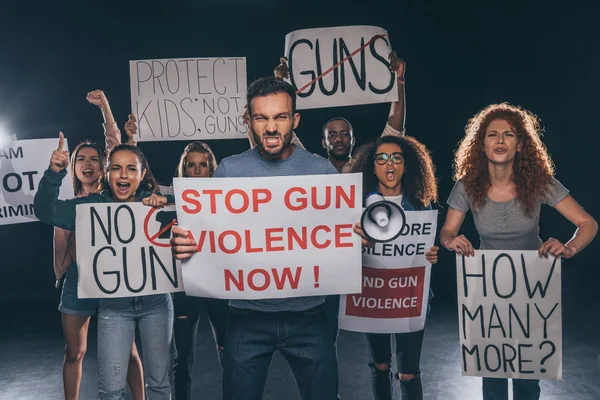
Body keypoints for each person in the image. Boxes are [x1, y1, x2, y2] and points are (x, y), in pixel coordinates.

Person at [171, 76, 372, 400]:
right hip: (247, 320)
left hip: (310, 317)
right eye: (262, 118)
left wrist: (361, 239)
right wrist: (186, 245)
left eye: (280, 117)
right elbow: (208, 238)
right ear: (248, 121)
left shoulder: (320, 170)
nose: (271, 127)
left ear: (295, 119)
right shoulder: (229, 171)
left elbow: (343, 234)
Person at [439, 103, 598, 400]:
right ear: (481, 144)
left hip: (533, 287)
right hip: (487, 288)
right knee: (493, 373)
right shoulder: (466, 186)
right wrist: (450, 240)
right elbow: (447, 231)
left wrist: (569, 248)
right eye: (492, 135)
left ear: (520, 144)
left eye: (508, 134)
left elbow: (588, 223)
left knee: (528, 376)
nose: (500, 141)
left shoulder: (539, 183)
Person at [35, 137, 174, 400]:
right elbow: (46, 211)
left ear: (142, 174)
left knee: (159, 384)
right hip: (114, 305)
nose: (123, 175)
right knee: (111, 390)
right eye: (116, 168)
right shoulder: (90, 206)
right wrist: (55, 173)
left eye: (131, 169)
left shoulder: (155, 202)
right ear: (107, 173)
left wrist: (165, 201)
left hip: (156, 303)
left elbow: (198, 207)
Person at [51, 90, 144, 400]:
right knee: (74, 353)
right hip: (78, 281)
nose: (88, 163)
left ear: (104, 166)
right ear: (74, 168)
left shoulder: (110, 194)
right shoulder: (67, 206)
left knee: (128, 353)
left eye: (95, 159)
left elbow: (117, 146)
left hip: (113, 280)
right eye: (81, 159)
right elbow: (60, 257)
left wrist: (105, 108)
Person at [350, 135, 439, 400]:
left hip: (409, 297)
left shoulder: (422, 203)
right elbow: (340, 248)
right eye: (382, 159)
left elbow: (423, 247)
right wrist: (353, 242)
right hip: (372, 297)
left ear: (406, 165)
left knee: (408, 373)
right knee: (380, 366)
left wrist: (431, 254)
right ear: (372, 165)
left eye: (397, 158)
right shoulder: (357, 204)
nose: (389, 164)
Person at [268, 51, 407, 173]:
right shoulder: (312, 166)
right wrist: (279, 82)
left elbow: (394, 130)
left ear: (353, 140)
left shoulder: (365, 166)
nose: (339, 139)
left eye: (345, 134)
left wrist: (399, 79)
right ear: (323, 142)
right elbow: (284, 132)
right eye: (332, 135)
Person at [171, 141, 229, 399]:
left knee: (230, 354)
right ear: (183, 170)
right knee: (182, 358)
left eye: (202, 165)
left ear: (211, 169)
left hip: (218, 285)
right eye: (190, 165)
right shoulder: (170, 199)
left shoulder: (228, 200)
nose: (196, 171)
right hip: (185, 286)